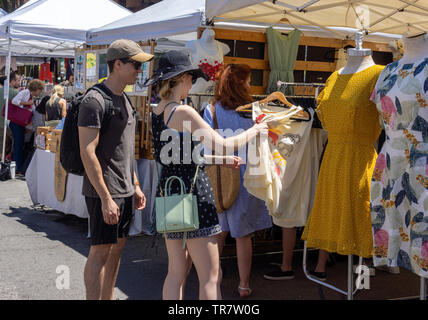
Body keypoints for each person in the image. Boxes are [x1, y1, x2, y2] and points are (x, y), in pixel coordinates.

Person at [146, 51, 267, 300]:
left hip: (169, 194)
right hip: (195, 195)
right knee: (210, 275)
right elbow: (223, 144)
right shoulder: (184, 112)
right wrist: (255, 130)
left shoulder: (157, 112)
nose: (192, 83)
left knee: (176, 272)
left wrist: (218, 160)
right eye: (190, 77)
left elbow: (179, 157)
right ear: (180, 79)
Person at [78, 39, 152, 300]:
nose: (139, 70)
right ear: (118, 64)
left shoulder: (125, 100)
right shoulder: (95, 100)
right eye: (136, 64)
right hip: (104, 191)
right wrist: (105, 197)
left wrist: (136, 185)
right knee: (100, 250)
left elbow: (125, 149)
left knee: (116, 250)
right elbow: (87, 151)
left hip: (124, 189)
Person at [202, 64, 272, 297]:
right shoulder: (252, 111)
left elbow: (205, 147)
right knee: (243, 235)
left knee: (217, 233)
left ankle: (212, 280)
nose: (250, 85)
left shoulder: (211, 110)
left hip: (220, 176)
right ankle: (243, 284)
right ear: (240, 83)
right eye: (248, 81)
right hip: (246, 176)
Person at [10, 78, 44, 175]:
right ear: (36, 89)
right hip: (16, 123)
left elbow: (33, 110)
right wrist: (27, 103)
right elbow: (14, 101)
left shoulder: (29, 95)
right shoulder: (25, 92)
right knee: (18, 145)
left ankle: (18, 167)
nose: (40, 92)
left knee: (19, 145)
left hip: (19, 123)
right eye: (40, 90)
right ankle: (17, 168)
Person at [0, 72, 20, 161]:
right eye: (18, 80)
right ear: (12, 81)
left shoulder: (1, 90)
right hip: (8, 123)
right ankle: (5, 163)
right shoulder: (14, 93)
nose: (19, 82)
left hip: (1, 122)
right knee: (11, 144)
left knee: (2, 145)